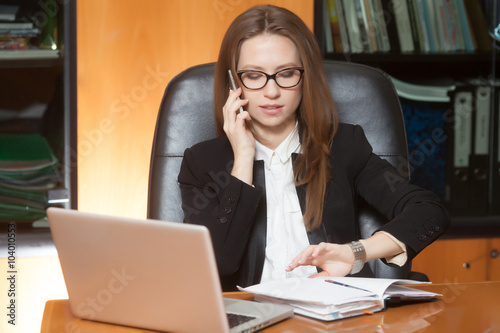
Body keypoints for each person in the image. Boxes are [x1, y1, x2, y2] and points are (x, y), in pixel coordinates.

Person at [177, 5, 449, 291]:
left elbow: (428, 211)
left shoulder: (344, 146)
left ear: (306, 77)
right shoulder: (202, 162)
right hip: (250, 316)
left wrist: (355, 252)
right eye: (254, 76)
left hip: (333, 312)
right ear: (234, 82)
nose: (272, 91)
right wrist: (243, 158)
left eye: (286, 73)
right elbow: (219, 264)